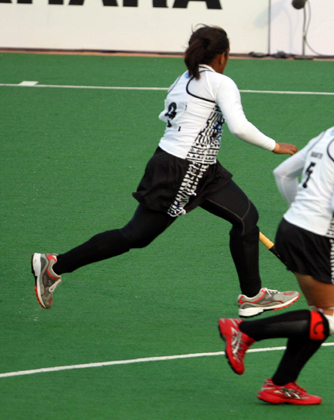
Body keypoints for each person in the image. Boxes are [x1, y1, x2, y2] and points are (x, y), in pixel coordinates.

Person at [30, 25, 300, 316]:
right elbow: (239, 127)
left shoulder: (184, 79)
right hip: (185, 169)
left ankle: (252, 296)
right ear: (222, 56)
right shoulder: (221, 83)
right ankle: (55, 266)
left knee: (247, 218)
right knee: (137, 235)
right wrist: (274, 146)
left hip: (193, 166)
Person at [218, 80, 334, 405]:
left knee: (319, 315)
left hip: (294, 228)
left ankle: (281, 383)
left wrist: (303, 211)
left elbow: (283, 173)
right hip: (315, 237)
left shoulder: (327, 135)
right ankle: (243, 331)